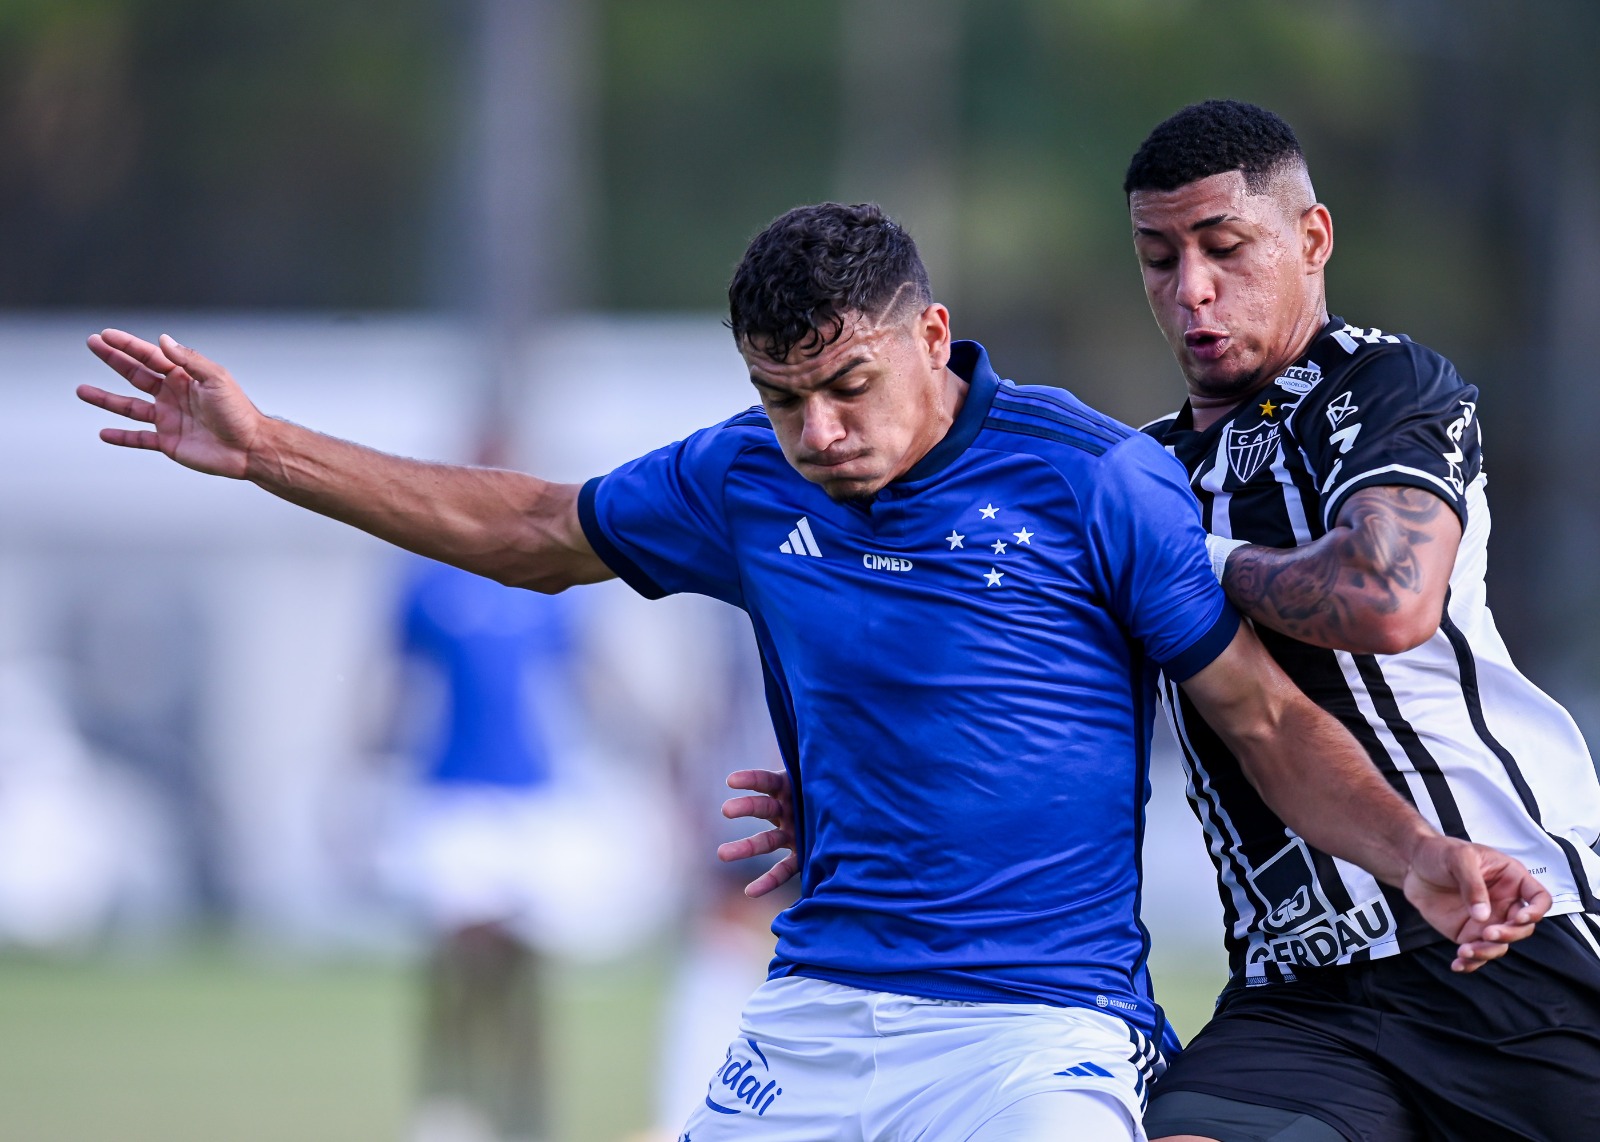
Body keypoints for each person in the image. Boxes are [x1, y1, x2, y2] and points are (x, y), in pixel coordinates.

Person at [78, 203, 1545, 1142]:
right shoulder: (738, 480)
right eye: (783, 398)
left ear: (930, 337)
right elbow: (531, 528)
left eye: (850, 388)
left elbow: (1262, 713)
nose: (819, 431)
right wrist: (267, 447)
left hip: (1033, 1033)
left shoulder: (1093, 477)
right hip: (811, 1013)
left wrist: (1418, 855)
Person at [1121, 100, 1600, 1142]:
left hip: (1504, 934)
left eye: (1223, 247)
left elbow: (1387, 599)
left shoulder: (1384, 387)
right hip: (1298, 991)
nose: (1190, 288)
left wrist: (1191, 563)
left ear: (1311, 238)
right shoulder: (1136, 476)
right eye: (1158, 257)